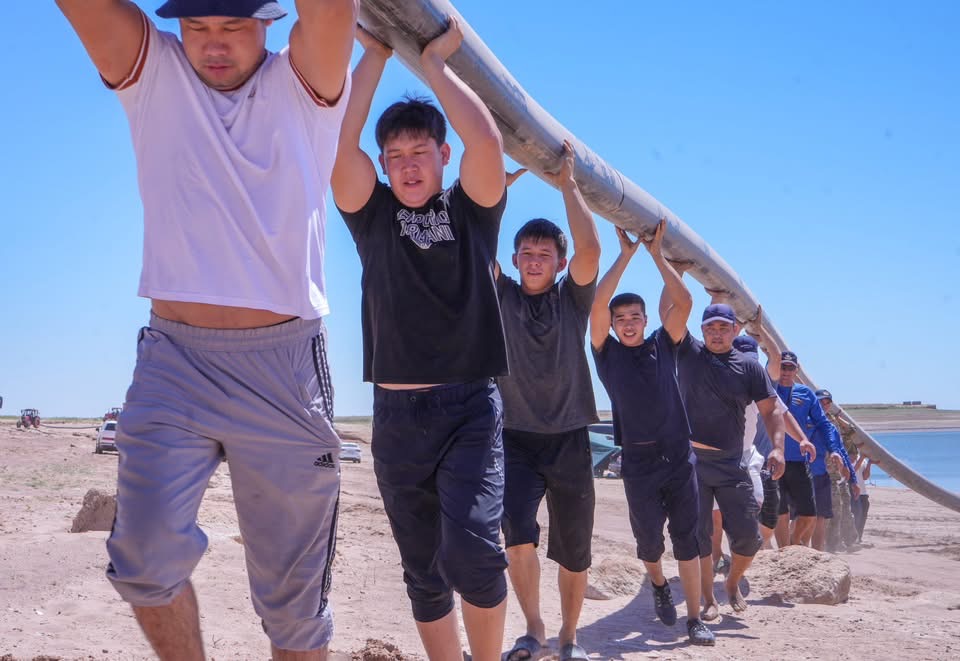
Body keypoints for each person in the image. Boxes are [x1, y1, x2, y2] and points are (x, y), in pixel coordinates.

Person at [57, 1, 355, 659]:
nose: (213, 45)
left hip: (282, 368)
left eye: (232, 27)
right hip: (175, 361)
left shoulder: (304, 82)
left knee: (295, 610)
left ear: (269, 22)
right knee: (142, 563)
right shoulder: (153, 74)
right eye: (196, 27)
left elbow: (333, 10)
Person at [331, 20, 509, 661]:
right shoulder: (372, 215)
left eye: (421, 152)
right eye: (396, 156)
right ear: (383, 165)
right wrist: (374, 57)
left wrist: (434, 65)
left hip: (468, 409)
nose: (408, 165)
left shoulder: (472, 210)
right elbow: (338, 142)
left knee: (475, 551)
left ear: (443, 155)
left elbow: (486, 141)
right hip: (397, 417)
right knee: (424, 569)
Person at [494, 141, 601, 661]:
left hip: (570, 438)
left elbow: (591, 250)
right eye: (526, 254)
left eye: (545, 255)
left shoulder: (571, 300)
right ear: (515, 261)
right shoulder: (501, 295)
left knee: (574, 549)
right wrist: (494, 195)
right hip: (514, 438)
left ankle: (569, 637)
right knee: (517, 534)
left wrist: (568, 185)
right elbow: (472, 241)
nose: (535, 261)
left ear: (559, 264)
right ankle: (533, 629)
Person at [590, 223, 715, 646]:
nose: (628, 324)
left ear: (646, 320)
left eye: (634, 318)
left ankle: (694, 619)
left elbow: (685, 300)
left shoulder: (665, 342)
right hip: (638, 461)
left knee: (688, 540)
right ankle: (659, 584)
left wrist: (656, 255)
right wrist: (625, 255)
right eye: (620, 319)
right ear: (613, 325)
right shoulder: (606, 354)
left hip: (678, 457)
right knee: (648, 542)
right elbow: (597, 303)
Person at [671, 299, 786, 620]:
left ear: (735, 330)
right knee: (701, 536)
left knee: (749, 537)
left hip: (732, 463)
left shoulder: (749, 368)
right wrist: (677, 274)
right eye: (711, 328)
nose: (717, 333)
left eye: (724, 327)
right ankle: (709, 599)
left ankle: (732, 582)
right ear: (702, 330)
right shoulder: (689, 354)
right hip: (693, 463)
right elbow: (674, 310)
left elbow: (772, 411)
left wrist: (778, 448)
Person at [770, 350, 835, 547]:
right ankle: (784, 551)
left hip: (799, 462)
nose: (786, 371)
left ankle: (794, 542)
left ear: (797, 370)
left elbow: (823, 423)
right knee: (781, 511)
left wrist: (833, 449)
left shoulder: (806, 393)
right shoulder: (767, 389)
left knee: (809, 514)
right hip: (774, 460)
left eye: (790, 368)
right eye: (782, 366)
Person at [819, 390, 862, 551]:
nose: (824, 405)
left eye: (827, 402)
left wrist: (853, 478)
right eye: (821, 402)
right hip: (819, 473)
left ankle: (841, 543)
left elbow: (844, 443)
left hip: (837, 473)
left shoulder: (832, 421)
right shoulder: (811, 419)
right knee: (828, 511)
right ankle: (827, 545)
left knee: (841, 508)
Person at [852, 452, 873, 543]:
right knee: (856, 515)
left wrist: (869, 464)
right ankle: (852, 538)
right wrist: (861, 458)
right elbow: (852, 471)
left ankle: (859, 537)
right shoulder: (848, 457)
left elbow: (865, 477)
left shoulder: (862, 459)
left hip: (863, 492)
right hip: (853, 492)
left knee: (863, 516)